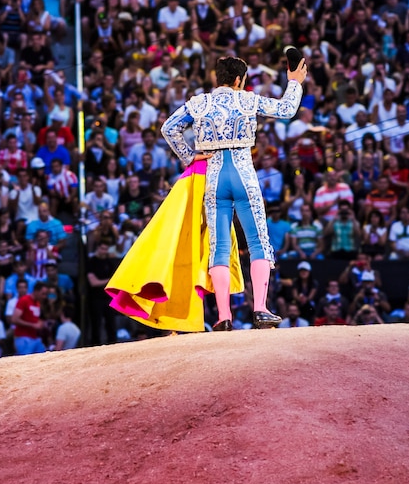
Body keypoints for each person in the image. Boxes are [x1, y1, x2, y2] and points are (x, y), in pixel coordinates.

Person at [107, 55, 305, 332]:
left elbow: (168, 128)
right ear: (239, 80)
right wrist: (294, 83)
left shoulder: (200, 103)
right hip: (243, 174)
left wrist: (189, 156)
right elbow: (286, 109)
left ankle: (224, 316)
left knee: (219, 247)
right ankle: (259, 309)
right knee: (258, 241)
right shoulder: (247, 100)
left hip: (213, 177)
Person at [11, 281, 49, 355]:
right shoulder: (24, 300)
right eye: (43, 294)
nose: (44, 297)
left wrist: (41, 323)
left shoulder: (37, 303)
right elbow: (14, 319)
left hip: (34, 337)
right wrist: (32, 325)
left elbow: (34, 318)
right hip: (23, 337)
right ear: (36, 291)